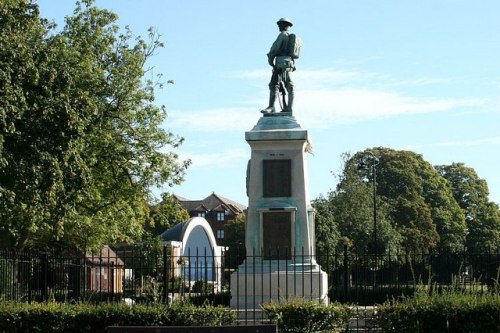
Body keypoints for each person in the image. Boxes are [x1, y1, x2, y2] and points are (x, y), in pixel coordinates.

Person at [261, 18, 296, 114]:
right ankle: (289, 108)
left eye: (280, 25)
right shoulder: (292, 37)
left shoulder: (282, 35)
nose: (279, 27)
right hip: (289, 64)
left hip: (280, 63)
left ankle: (271, 106)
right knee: (289, 85)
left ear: (284, 25)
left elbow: (274, 49)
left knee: (274, 84)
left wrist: (270, 60)